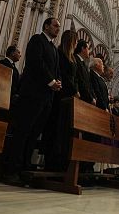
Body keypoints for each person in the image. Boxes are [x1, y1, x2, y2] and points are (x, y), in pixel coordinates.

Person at [4, 18, 62, 185]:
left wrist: (58, 82)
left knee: (34, 133)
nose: (57, 29)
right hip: (33, 94)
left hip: (47, 97)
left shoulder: (54, 48)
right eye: (55, 26)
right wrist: (51, 81)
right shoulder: (37, 40)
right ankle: (11, 170)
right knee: (23, 131)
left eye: (58, 27)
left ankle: (25, 168)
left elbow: (56, 70)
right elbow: (36, 63)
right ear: (46, 26)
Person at [42, 30, 78, 171]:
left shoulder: (72, 58)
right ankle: (52, 162)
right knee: (55, 128)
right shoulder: (60, 54)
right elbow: (63, 75)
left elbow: (73, 78)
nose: (76, 44)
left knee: (64, 131)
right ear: (70, 41)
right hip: (61, 97)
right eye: (74, 41)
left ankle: (61, 162)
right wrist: (74, 91)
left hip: (68, 98)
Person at [74, 40, 95, 105]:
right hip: (81, 98)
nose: (89, 51)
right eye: (88, 49)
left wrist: (92, 97)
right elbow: (81, 80)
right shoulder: (76, 60)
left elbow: (88, 83)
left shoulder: (82, 63)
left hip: (86, 98)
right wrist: (90, 98)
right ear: (83, 49)